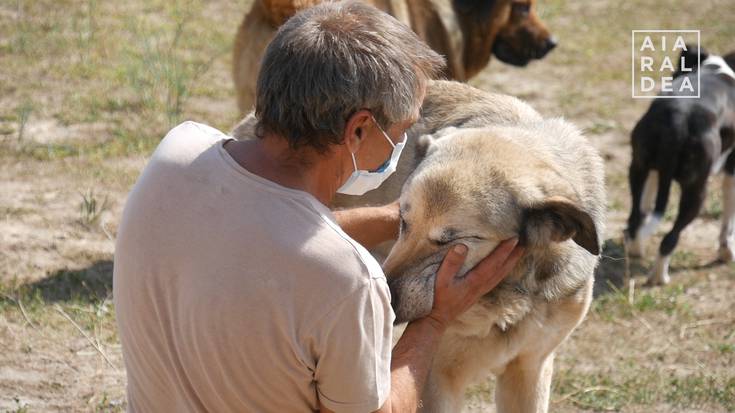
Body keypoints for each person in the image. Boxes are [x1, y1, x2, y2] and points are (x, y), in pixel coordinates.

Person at [113, 1, 524, 412]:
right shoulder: (349, 282)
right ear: (359, 130)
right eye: (403, 129)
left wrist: (396, 218)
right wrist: (434, 322)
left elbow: (265, 230)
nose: (406, 143)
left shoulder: (177, 154)